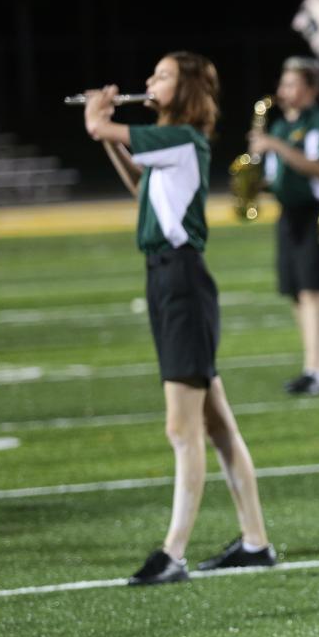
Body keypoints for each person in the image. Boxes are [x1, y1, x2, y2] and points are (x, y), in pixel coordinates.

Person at [81, 52, 277, 583]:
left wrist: (100, 118)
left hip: (181, 282)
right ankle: (256, 541)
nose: (148, 82)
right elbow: (137, 185)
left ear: (187, 88)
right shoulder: (170, 146)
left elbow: (104, 124)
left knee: (181, 427)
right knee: (215, 425)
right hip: (169, 280)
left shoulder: (183, 137)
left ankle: (173, 553)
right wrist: (106, 136)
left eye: (161, 75)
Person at [253, 57, 319, 396]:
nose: (283, 91)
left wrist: (274, 146)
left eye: (292, 84)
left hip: (316, 213)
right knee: (296, 291)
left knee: (314, 291)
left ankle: (316, 370)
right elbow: (279, 174)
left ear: (311, 89)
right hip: (287, 214)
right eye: (283, 83)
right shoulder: (278, 126)